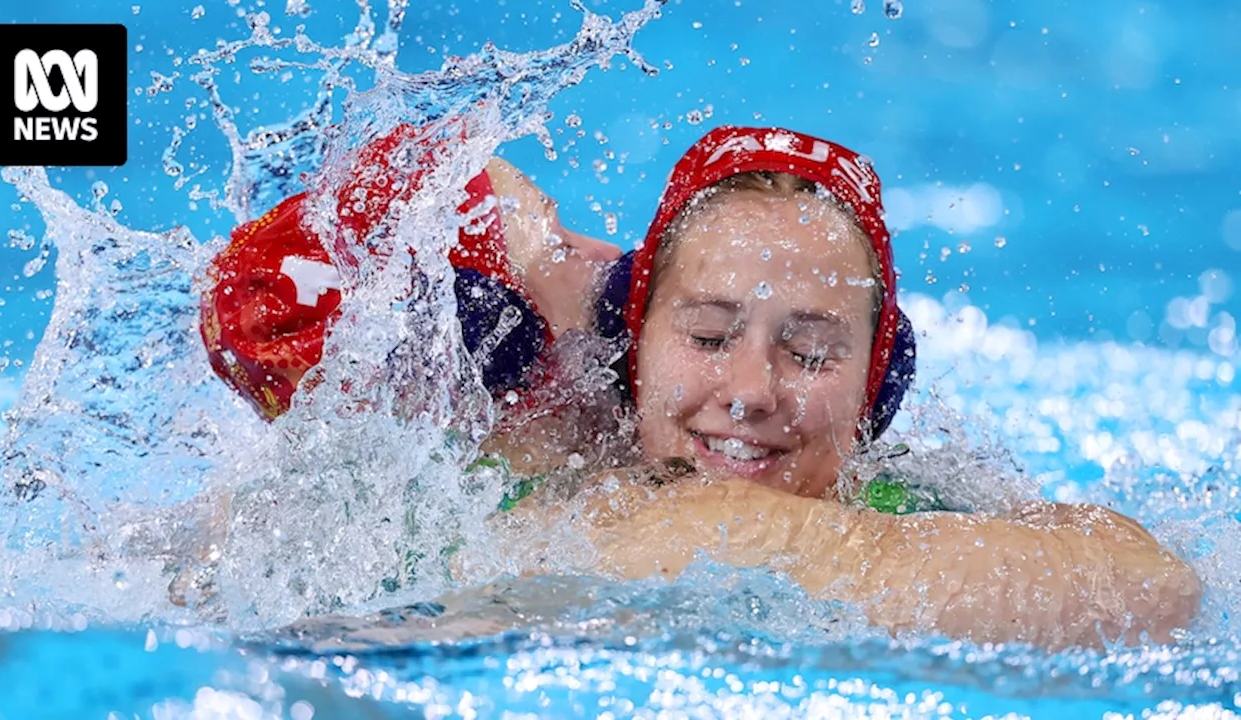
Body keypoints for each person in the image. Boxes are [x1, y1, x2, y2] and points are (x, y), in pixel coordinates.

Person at [197, 122, 1202, 650]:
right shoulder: (587, 520)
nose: (752, 390)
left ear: (877, 382)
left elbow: (1152, 581)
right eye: (709, 334)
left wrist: (570, 278)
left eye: (809, 351)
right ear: (631, 351)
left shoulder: (907, 486)